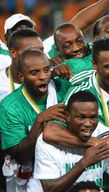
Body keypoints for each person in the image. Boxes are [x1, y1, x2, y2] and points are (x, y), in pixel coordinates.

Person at [33, 91, 109, 192]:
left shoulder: (106, 138)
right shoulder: (47, 143)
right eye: (81, 117)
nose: (88, 123)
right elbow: (49, 188)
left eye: (93, 117)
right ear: (68, 116)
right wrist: (85, 162)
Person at [0, 49, 65, 191]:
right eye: (34, 73)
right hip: (30, 178)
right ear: (21, 76)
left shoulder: (62, 88)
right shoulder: (9, 107)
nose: (43, 77)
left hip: (65, 171)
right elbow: (22, 157)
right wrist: (40, 121)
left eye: (46, 70)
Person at [0, 28, 44, 102]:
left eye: (41, 51)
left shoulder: (49, 79)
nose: (39, 56)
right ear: (13, 52)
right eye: (31, 51)